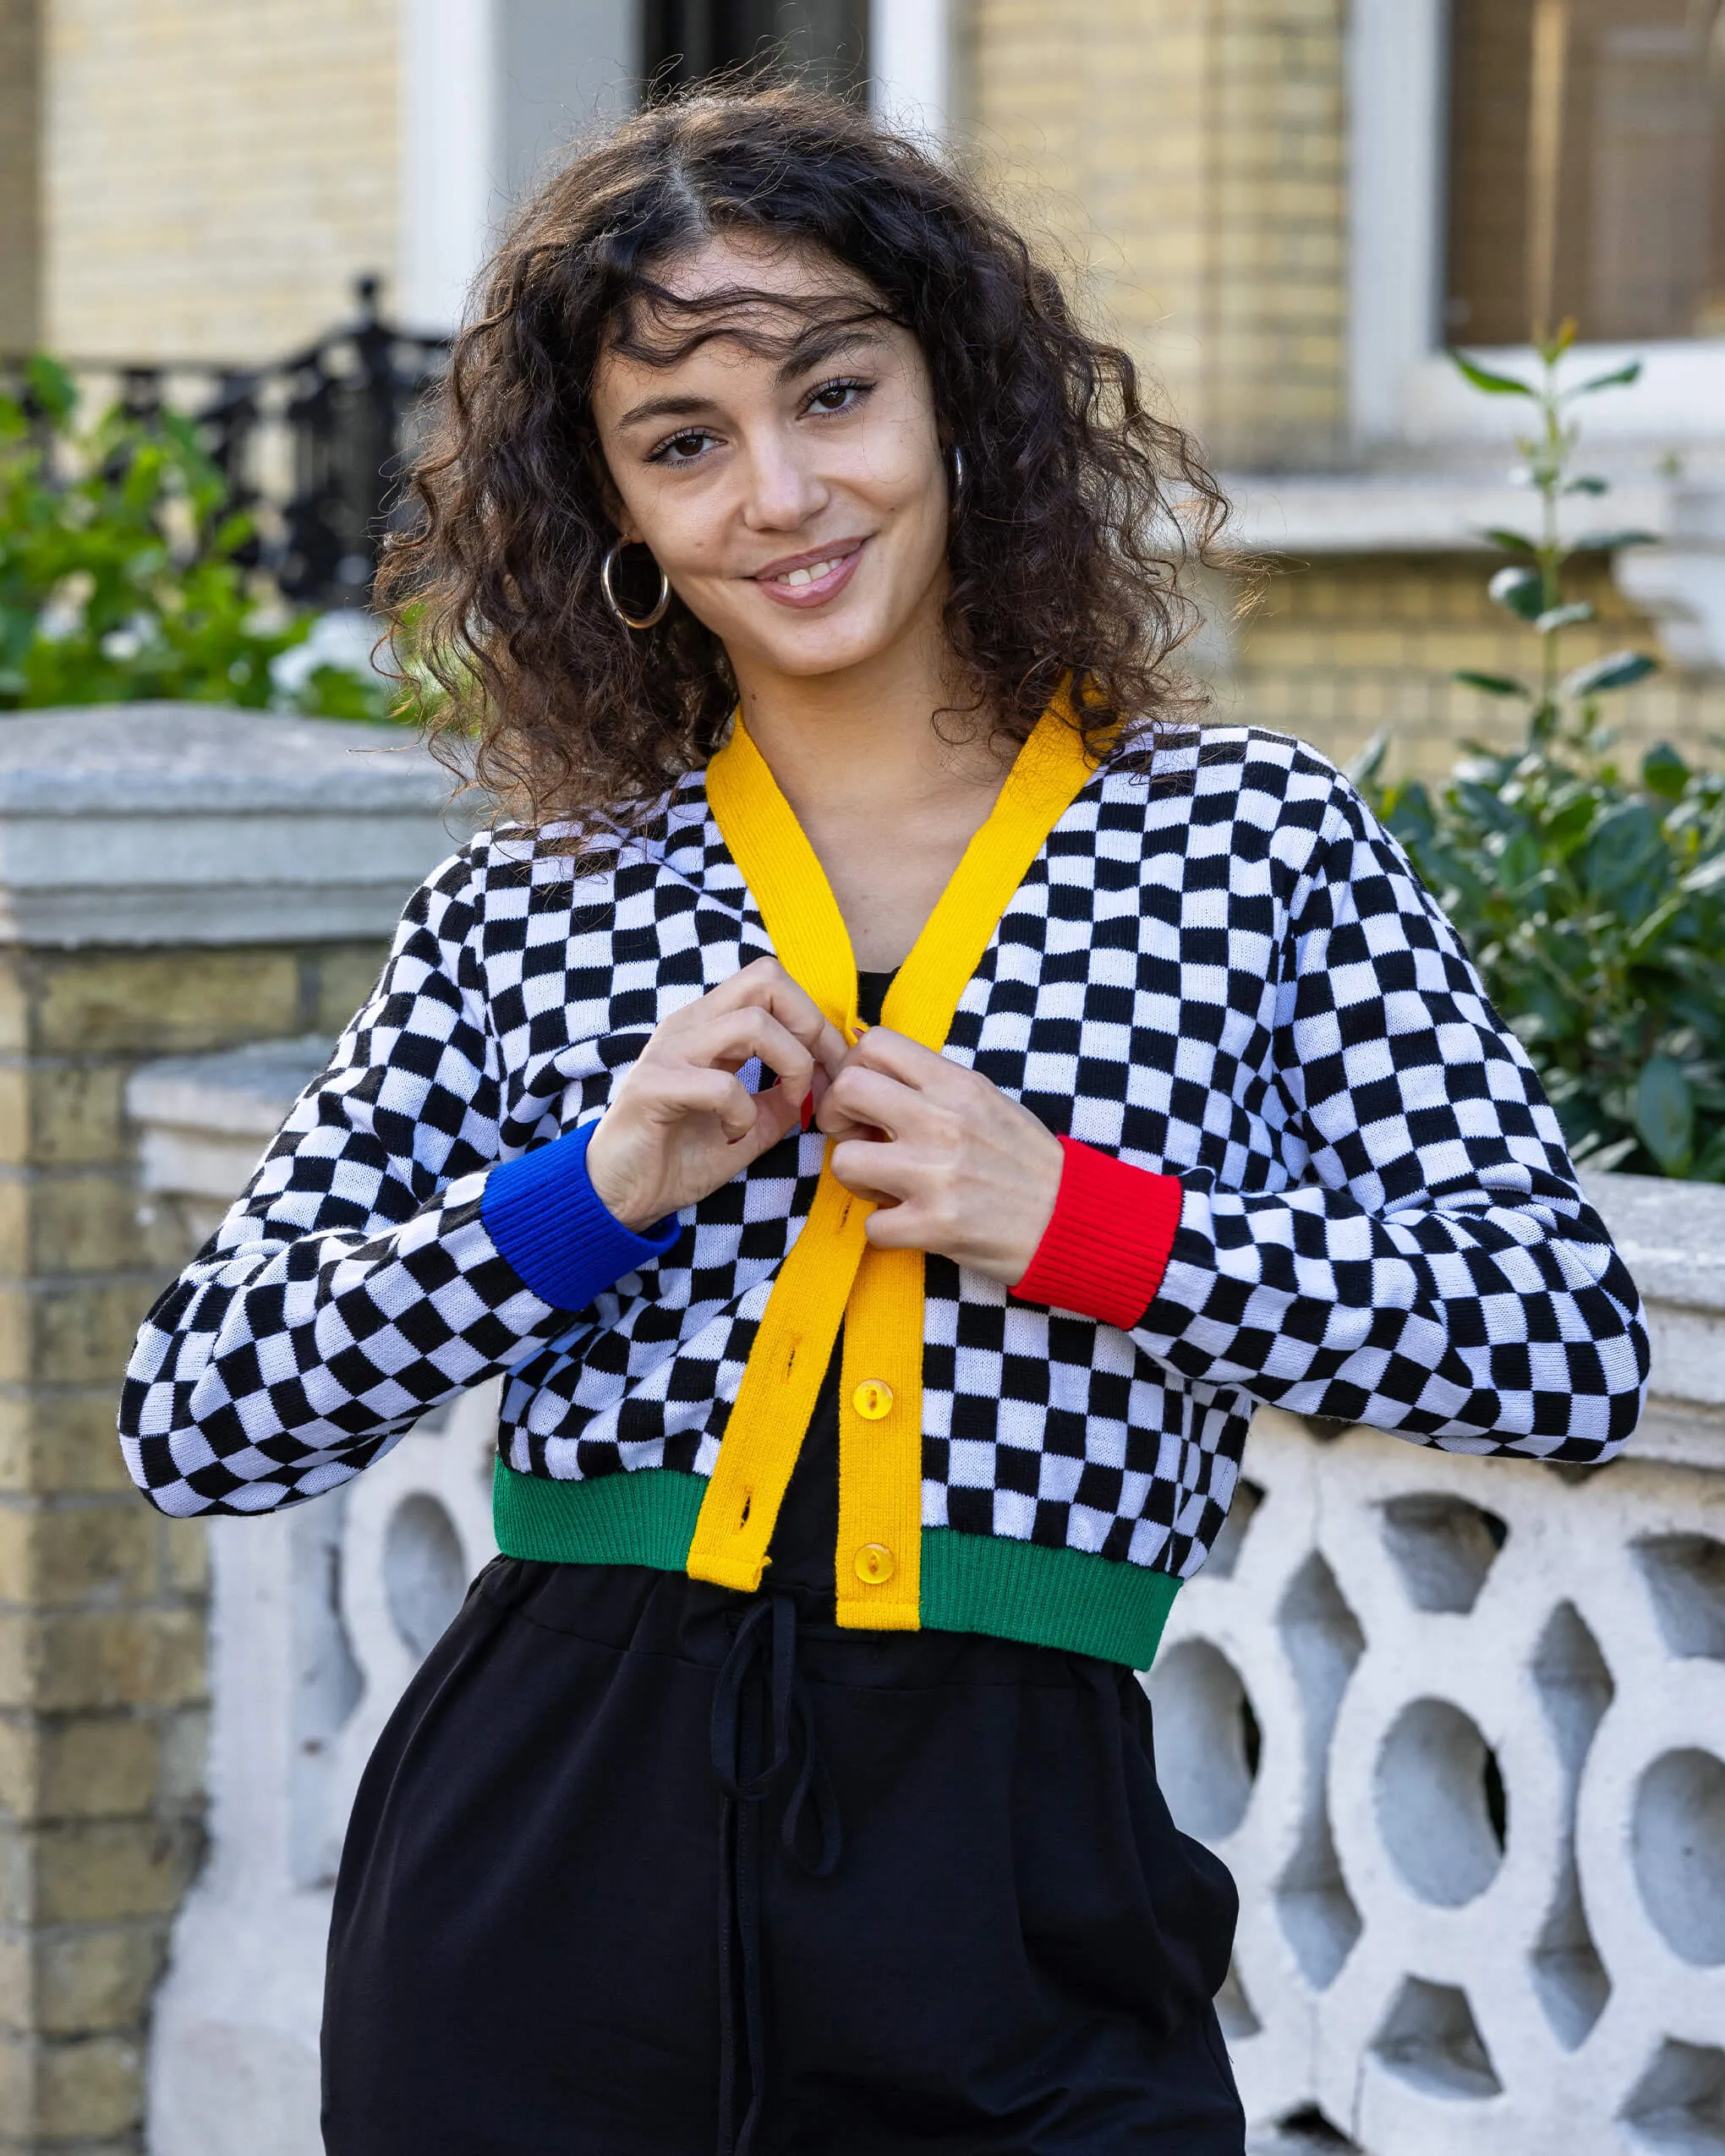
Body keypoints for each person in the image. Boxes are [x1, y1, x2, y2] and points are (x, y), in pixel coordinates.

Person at [118, 86, 1648, 2156]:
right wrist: (588, 1195)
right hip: (544, 1858)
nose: (780, 489)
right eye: (684, 444)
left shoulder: (1247, 843)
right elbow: (199, 1412)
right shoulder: (537, 895)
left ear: (959, 401)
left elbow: (1556, 1345)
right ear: (619, 523)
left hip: (1015, 1870)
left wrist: (1095, 1227)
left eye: (832, 393)